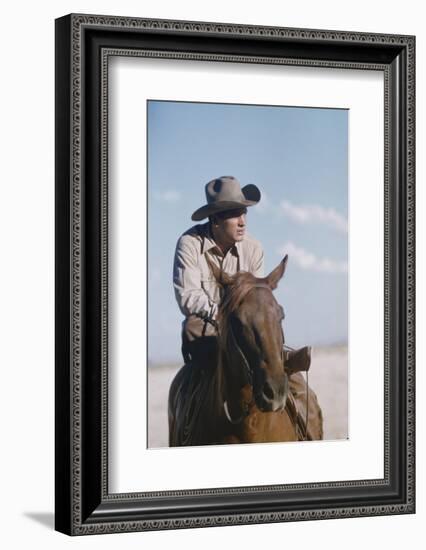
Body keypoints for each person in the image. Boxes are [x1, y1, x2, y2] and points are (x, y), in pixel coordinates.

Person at [173, 175, 311, 373]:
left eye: (244, 213)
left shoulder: (254, 248)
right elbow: (188, 296)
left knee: (266, 326)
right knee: (191, 328)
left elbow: (256, 298)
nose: (242, 222)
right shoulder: (189, 244)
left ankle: (282, 362)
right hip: (209, 323)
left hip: (244, 323)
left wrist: (241, 320)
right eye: (234, 215)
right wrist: (223, 315)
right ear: (215, 220)